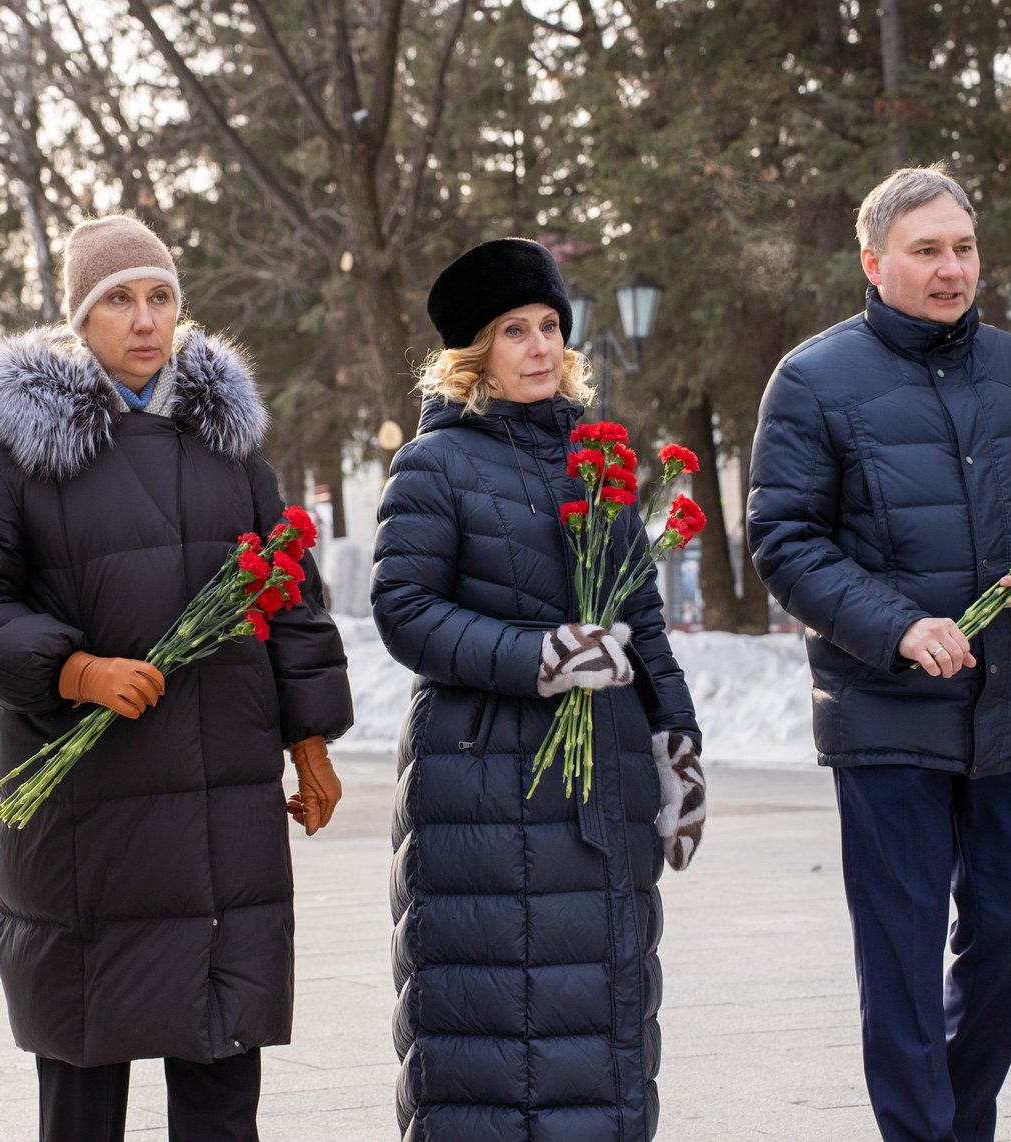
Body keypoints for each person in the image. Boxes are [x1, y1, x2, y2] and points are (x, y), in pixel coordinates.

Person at [0, 214, 354, 1142]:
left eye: (161, 297)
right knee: (85, 1082)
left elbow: (291, 598)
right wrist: (73, 670)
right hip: (90, 817)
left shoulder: (231, 444)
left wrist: (309, 743)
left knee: (220, 1067)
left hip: (225, 808)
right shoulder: (14, 453)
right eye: (118, 299)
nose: (146, 319)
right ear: (79, 320)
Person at [746, 165, 1011, 1142]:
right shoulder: (813, 378)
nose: (951, 268)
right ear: (873, 262)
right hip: (884, 711)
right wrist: (895, 625)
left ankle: (956, 1121)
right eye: (926, 250)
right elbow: (783, 540)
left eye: (961, 247)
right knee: (902, 957)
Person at [370, 237, 705, 1140]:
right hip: (483, 789)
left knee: (605, 1037)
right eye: (515, 330)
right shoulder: (435, 465)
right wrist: (542, 656)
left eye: (551, 326)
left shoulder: (596, 466)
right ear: (474, 352)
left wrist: (677, 744)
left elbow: (640, 618)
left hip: (604, 791)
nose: (540, 346)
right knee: (492, 1040)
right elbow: (404, 611)